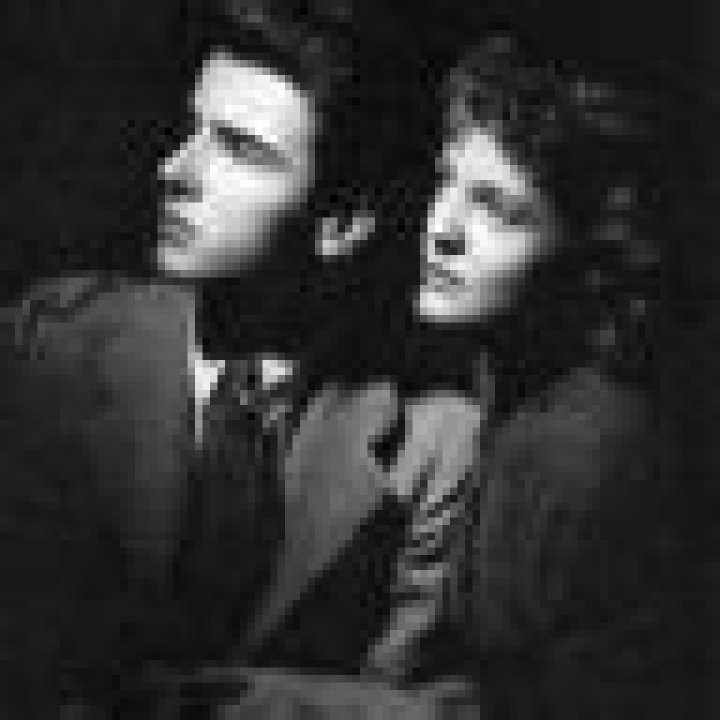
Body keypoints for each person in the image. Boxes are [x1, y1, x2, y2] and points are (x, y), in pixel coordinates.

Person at [0, 0, 404, 714]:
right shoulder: (44, 347)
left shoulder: (430, 431)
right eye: (192, 131)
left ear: (342, 223)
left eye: (240, 149)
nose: (175, 169)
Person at [350, 32, 685, 716]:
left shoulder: (589, 446)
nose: (441, 228)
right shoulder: (512, 395)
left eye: (496, 208)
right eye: (445, 181)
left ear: (588, 251)